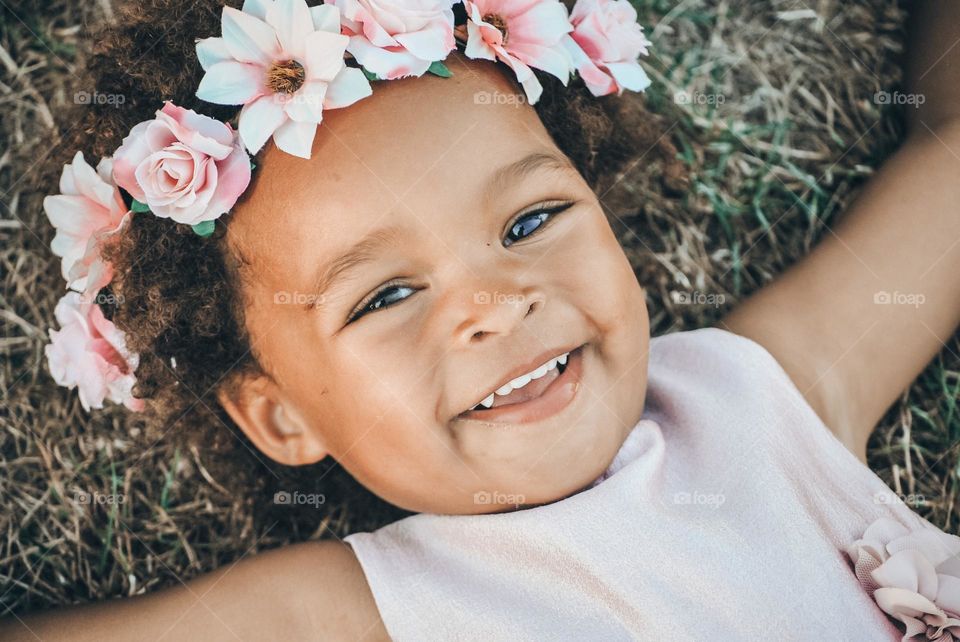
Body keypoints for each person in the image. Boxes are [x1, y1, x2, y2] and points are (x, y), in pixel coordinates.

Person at [5, 0, 960, 639]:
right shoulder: (355, 610)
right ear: (281, 413)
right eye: (382, 295)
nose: (494, 304)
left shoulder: (753, 400)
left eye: (531, 221)